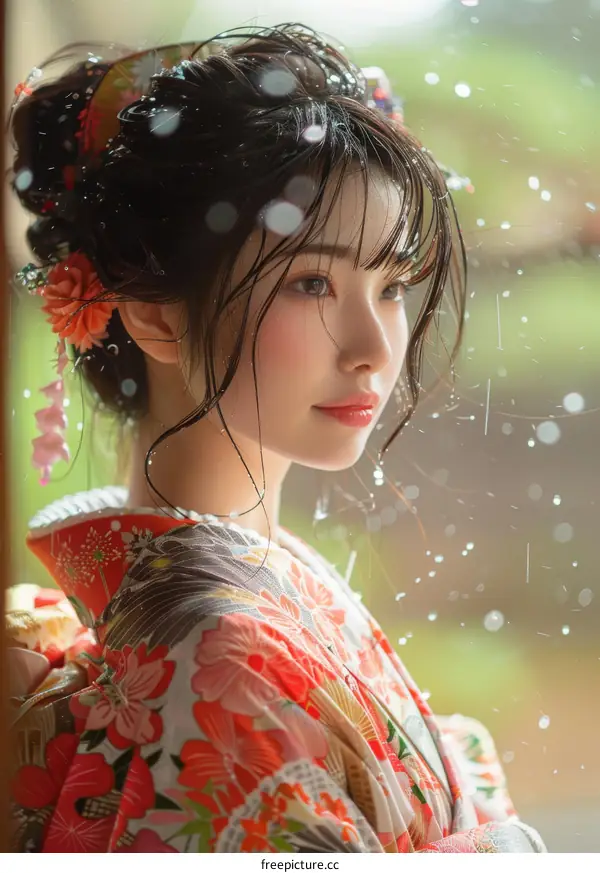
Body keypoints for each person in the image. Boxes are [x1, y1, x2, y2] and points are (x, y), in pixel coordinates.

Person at [6, 24, 546, 853]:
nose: (374, 346)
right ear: (152, 310)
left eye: (393, 284)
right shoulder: (220, 650)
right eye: (311, 281)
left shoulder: (231, 606)